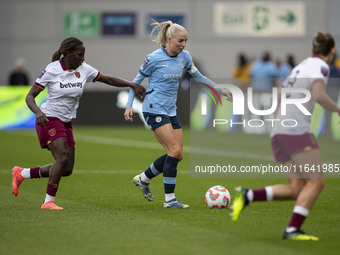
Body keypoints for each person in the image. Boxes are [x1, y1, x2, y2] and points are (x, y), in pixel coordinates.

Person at [12, 37, 145, 210]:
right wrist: (38, 112)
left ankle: (22, 173)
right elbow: (30, 96)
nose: (82, 58)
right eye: (79, 54)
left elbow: (109, 79)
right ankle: (48, 202)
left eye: (83, 55)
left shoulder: (84, 69)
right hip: (49, 118)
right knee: (62, 158)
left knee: (66, 169)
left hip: (66, 121)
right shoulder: (52, 70)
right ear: (68, 53)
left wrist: (132, 85)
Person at [230, 31, 340, 240]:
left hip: (279, 131)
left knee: (298, 189)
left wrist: (280, 118)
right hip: (296, 131)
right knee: (316, 183)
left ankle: (248, 195)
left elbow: (279, 95)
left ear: (311, 50)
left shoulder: (300, 66)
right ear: (332, 51)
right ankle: (292, 230)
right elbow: (318, 95)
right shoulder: (321, 67)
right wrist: (337, 109)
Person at [124, 21, 231, 209]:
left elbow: (199, 78)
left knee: (178, 154)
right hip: (154, 108)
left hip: (171, 111)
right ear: (169, 38)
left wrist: (219, 89)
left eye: (186, 41)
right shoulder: (153, 58)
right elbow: (136, 82)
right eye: (181, 40)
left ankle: (143, 178)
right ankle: (170, 199)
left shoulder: (185, 57)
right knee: (173, 151)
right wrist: (129, 105)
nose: (184, 44)